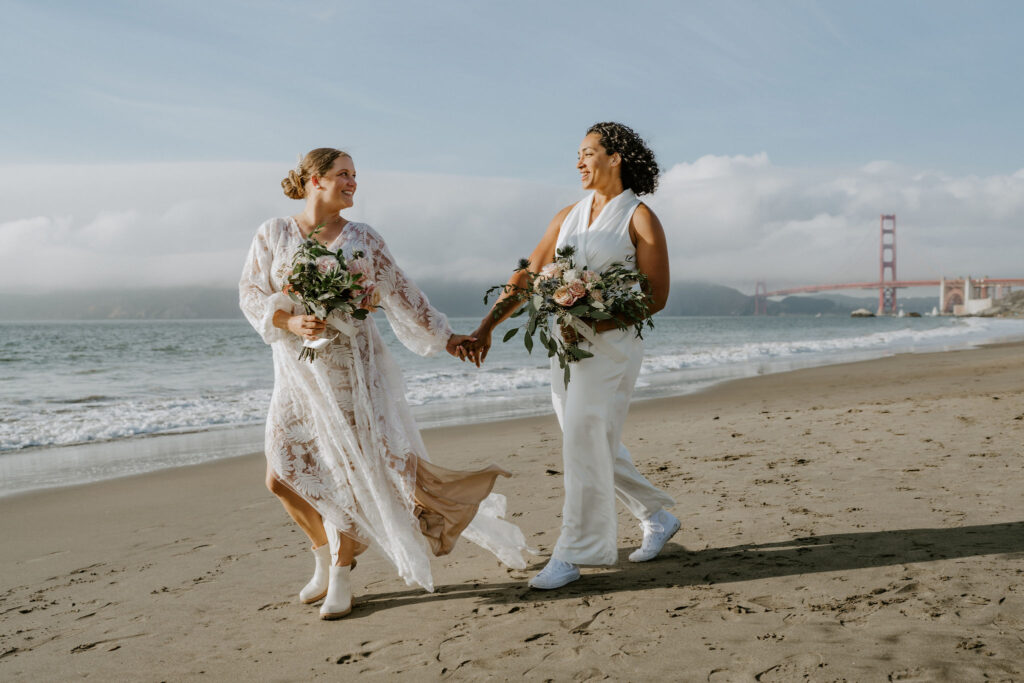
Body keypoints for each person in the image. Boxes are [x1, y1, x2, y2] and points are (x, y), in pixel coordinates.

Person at [239, 147, 530, 619]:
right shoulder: (272, 232)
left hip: (354, 367)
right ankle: (321, 553)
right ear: (314, 180)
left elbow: (402, 292)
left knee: (349, 472)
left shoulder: (362, 238)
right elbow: (251, 291)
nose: (352, 183)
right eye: (342, 175)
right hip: (298, 368)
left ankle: (341, 574)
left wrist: (447, 337)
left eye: (355, 175)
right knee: (280, 474)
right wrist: (290, 323)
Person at [464, 123, 678, 589]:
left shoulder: (639, 217)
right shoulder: (568, 215)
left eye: (587, 153)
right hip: (565, 347)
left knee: (582, 437)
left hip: (612, 344)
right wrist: (486, 327)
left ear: (616, 157)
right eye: (578, 155)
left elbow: (656, 295)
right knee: (588, 437)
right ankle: (656, 516)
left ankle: (574, 552)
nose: (579, 162)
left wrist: (597, 319)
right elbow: (527, 275)